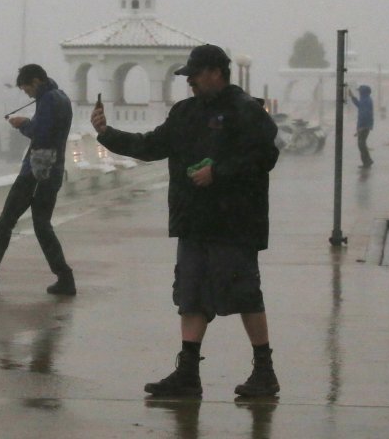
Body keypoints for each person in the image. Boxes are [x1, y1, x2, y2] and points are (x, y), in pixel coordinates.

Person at [90, 44, 280, 398]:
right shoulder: (185, 112)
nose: (189, 81)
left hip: (235, 222)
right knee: (190, 295)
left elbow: (265, 156)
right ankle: (188, 374)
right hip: (193, 221)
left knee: (244, 293)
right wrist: (106, 134)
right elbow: (150, 145)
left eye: (194, 74)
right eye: (187, 76)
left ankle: (265, 371)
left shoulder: (245, 110)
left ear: (215, 72)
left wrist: (218, 172)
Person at [0, 64, 76, 296]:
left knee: (5, 224)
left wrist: (23, 124)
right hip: (54, 171)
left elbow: (41, 133)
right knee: (42, 226)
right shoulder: (62, 97)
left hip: (35, 173)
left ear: (36, 81)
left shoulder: (48, 100)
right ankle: (65, 278)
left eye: (26, 88)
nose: (27, 93)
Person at [349, 84, 374, 168]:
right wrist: (352, 97)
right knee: (362, 144)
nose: (359, 92)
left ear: (363, 92)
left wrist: (361, 127)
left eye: (359, 91)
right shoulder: (365, 99)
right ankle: (368, 161)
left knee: (361, 144)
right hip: (365, 125)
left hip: (364, 125)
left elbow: (364, 114)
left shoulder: (365, 100)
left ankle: (367, 162)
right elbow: (359, 105)